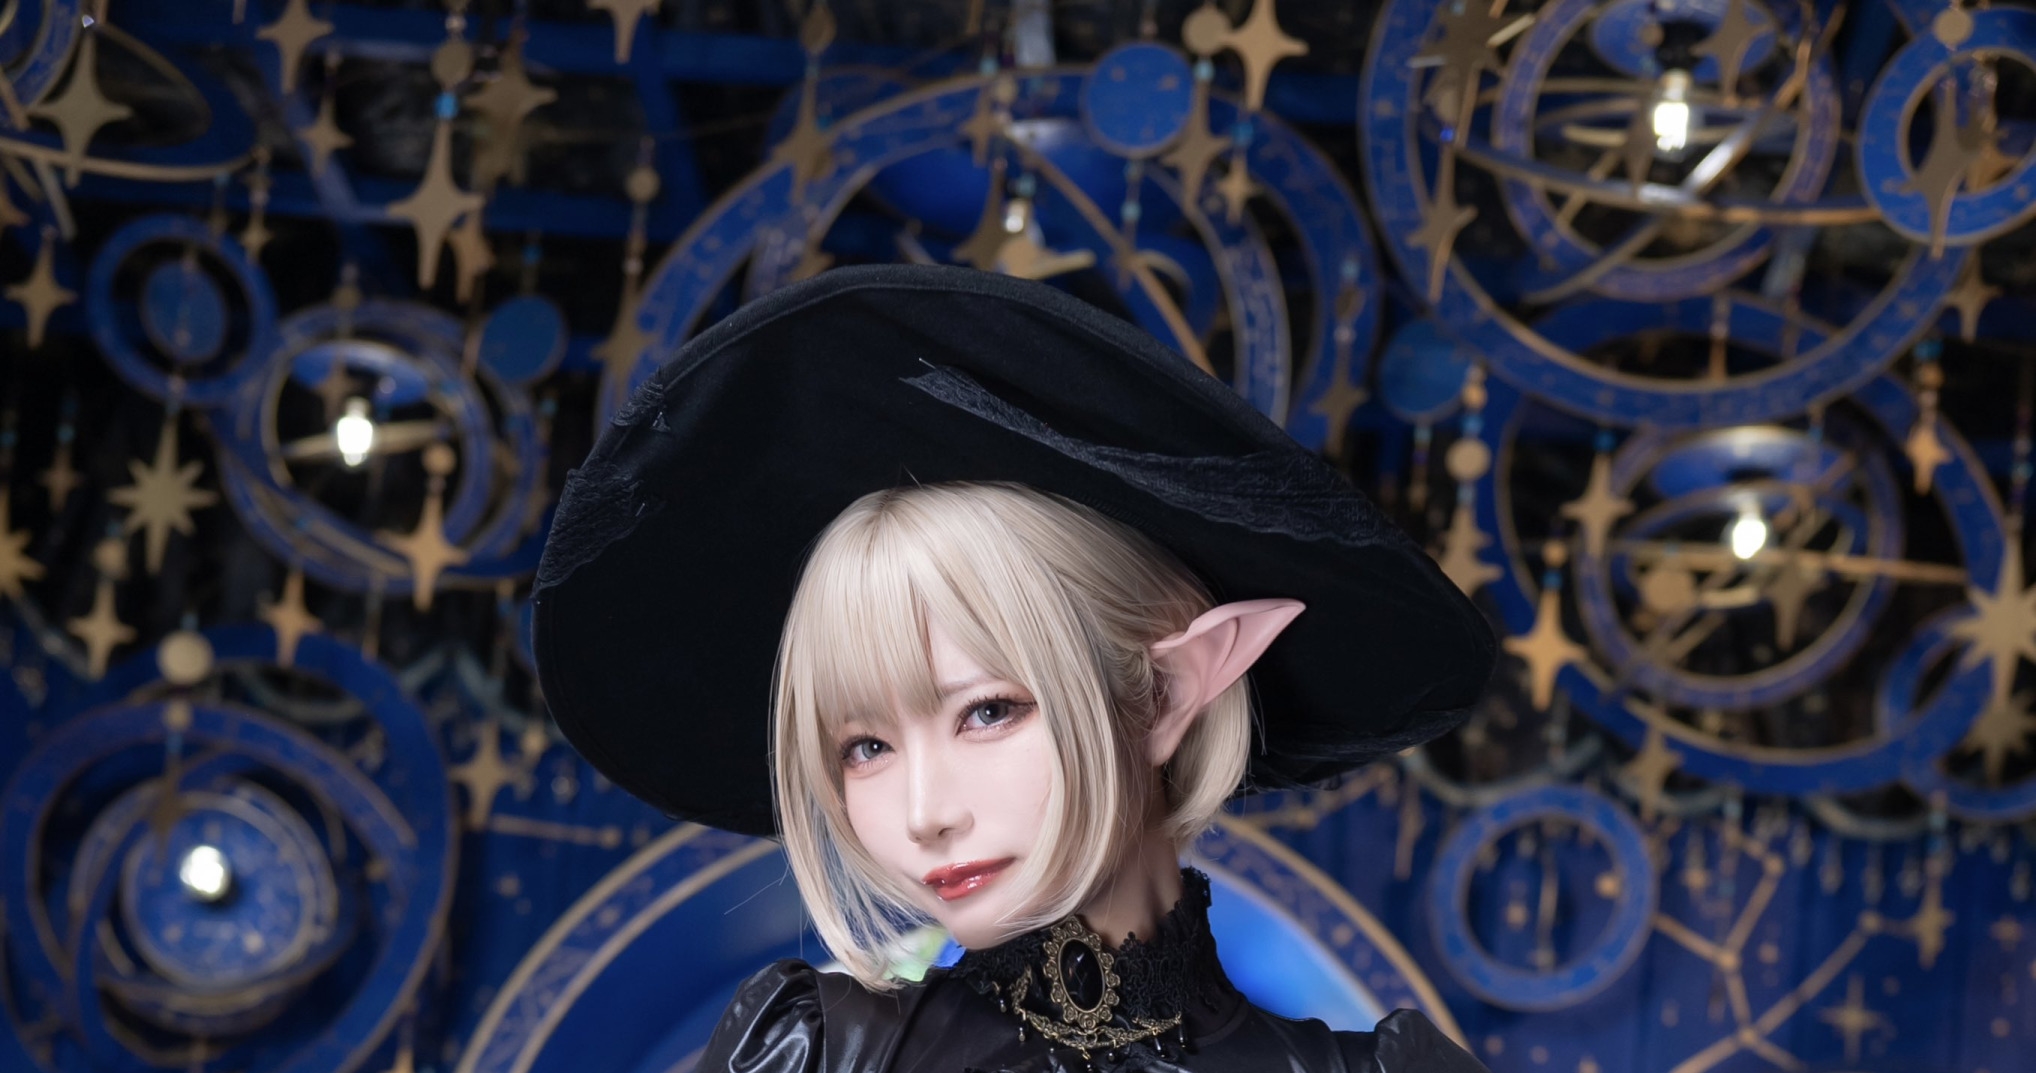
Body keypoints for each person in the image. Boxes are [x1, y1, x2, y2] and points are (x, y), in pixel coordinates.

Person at [531, 265, 1498, 1072]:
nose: (924, 813)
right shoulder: (814, 1056)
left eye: (987, 711)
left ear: (1165, 692)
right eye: (865, 745)